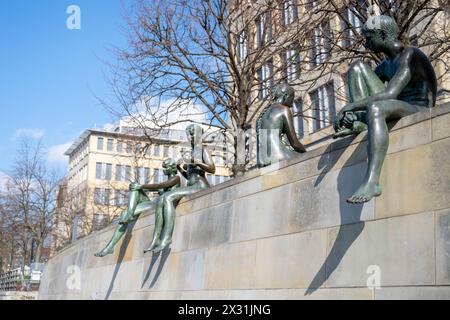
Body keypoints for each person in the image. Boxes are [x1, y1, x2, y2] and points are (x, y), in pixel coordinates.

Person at [334, 14, 437, 204]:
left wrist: (350, 106)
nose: (365, 44)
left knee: (375, 107)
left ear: (382, 35)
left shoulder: (411, 55)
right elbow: (371, 92)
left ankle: (372, 180)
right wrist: (354, 114)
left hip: (418, 107)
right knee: (357, 67)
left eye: (368, 38)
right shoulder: (386, 65)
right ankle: (361, 123)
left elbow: (390, 94)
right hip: (396, 106)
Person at [144, 124, 216, 253]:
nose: (191, 136)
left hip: (200, 186)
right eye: (189, 134)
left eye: (194, 133)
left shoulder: (203, 150)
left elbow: (212, 168)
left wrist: (197, 162)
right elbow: (189, 176)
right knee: (162, 198)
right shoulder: (193, 152)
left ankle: (166, 238)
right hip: (192, 185)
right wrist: (180, 169)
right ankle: (156, 239)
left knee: (168, 197)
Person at [94, 159, 180, 257]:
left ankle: (130, 214)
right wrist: (136, 187)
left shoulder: (176, 179)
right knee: (126, 210)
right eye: (164, 167)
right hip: (153, 204)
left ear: (173, 168)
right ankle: (110, 247)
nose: (164, 169)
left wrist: (141, 186)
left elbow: (160, 185)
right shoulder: (167, 181)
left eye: (166, 167)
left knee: (136, 190)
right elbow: (153, 187)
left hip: (158, 205)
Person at [256, 83, 306, 168]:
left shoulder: (262, 116)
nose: (292, 103)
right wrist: (306, 152)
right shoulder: (284, 109)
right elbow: (295, 144)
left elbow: (259, 143)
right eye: (292, 97)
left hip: (263, 160)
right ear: (285, 95)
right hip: (279, 155)